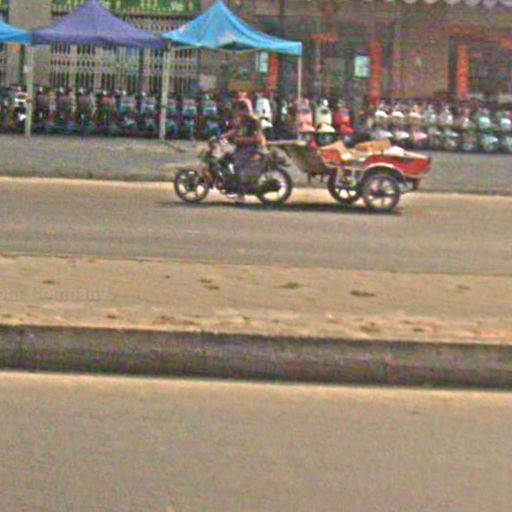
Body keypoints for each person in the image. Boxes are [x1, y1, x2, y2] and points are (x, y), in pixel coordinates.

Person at [224, 100, 266, 203]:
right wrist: (223, 136)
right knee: (225, 158)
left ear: (244, 110)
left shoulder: (254, 121)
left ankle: (241, 195)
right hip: (241, 148)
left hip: (251, 149)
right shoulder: (242, 120)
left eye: (238, 110)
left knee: (237, 166)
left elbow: (258, 138)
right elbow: (235, 130)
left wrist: (240, 140)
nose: (237, 113)